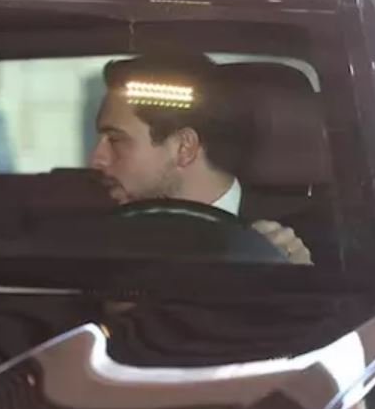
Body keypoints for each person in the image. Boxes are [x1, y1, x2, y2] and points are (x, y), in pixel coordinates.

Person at [89, 53, 313, 265]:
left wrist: (295, 278)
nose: (97, 159)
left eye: (115, 140)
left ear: (184, 147)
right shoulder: (94, 236)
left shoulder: (308, 241)